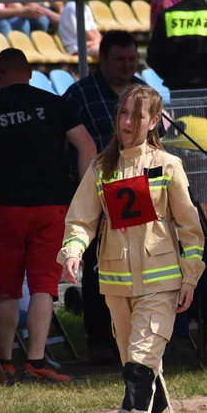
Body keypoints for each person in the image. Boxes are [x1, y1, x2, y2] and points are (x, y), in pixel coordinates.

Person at [60, 84, 205, 413]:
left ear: (154, 121)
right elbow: (80, 220)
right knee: (139, 365)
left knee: (141, 359)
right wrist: (72, 251)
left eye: (137, 116)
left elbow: (191, 230)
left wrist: (191, 275)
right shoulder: (100, 168)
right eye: (123, 113)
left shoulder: (168, 165)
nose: (127, 122)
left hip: (162, 281)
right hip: (114, 282)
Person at [0, 49, 96, 383]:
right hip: (52, 206)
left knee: (6, 288)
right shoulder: (56, 104)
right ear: (30, 73)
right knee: (43, 287)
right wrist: (80, 190)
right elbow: (88, 147)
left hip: (7, 207)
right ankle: (36, 359)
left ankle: (4, 361)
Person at [63, 30, 145, 366]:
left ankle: (140, 337)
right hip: (96, 190)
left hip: (139, 189)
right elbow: (64, 144)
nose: (128, 66)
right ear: (103, 59)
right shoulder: (78, 94)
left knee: (140, 262)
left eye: (132, 59)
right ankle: (99, 340)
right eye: (120, 60)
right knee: (98, 269)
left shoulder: (144, 92)